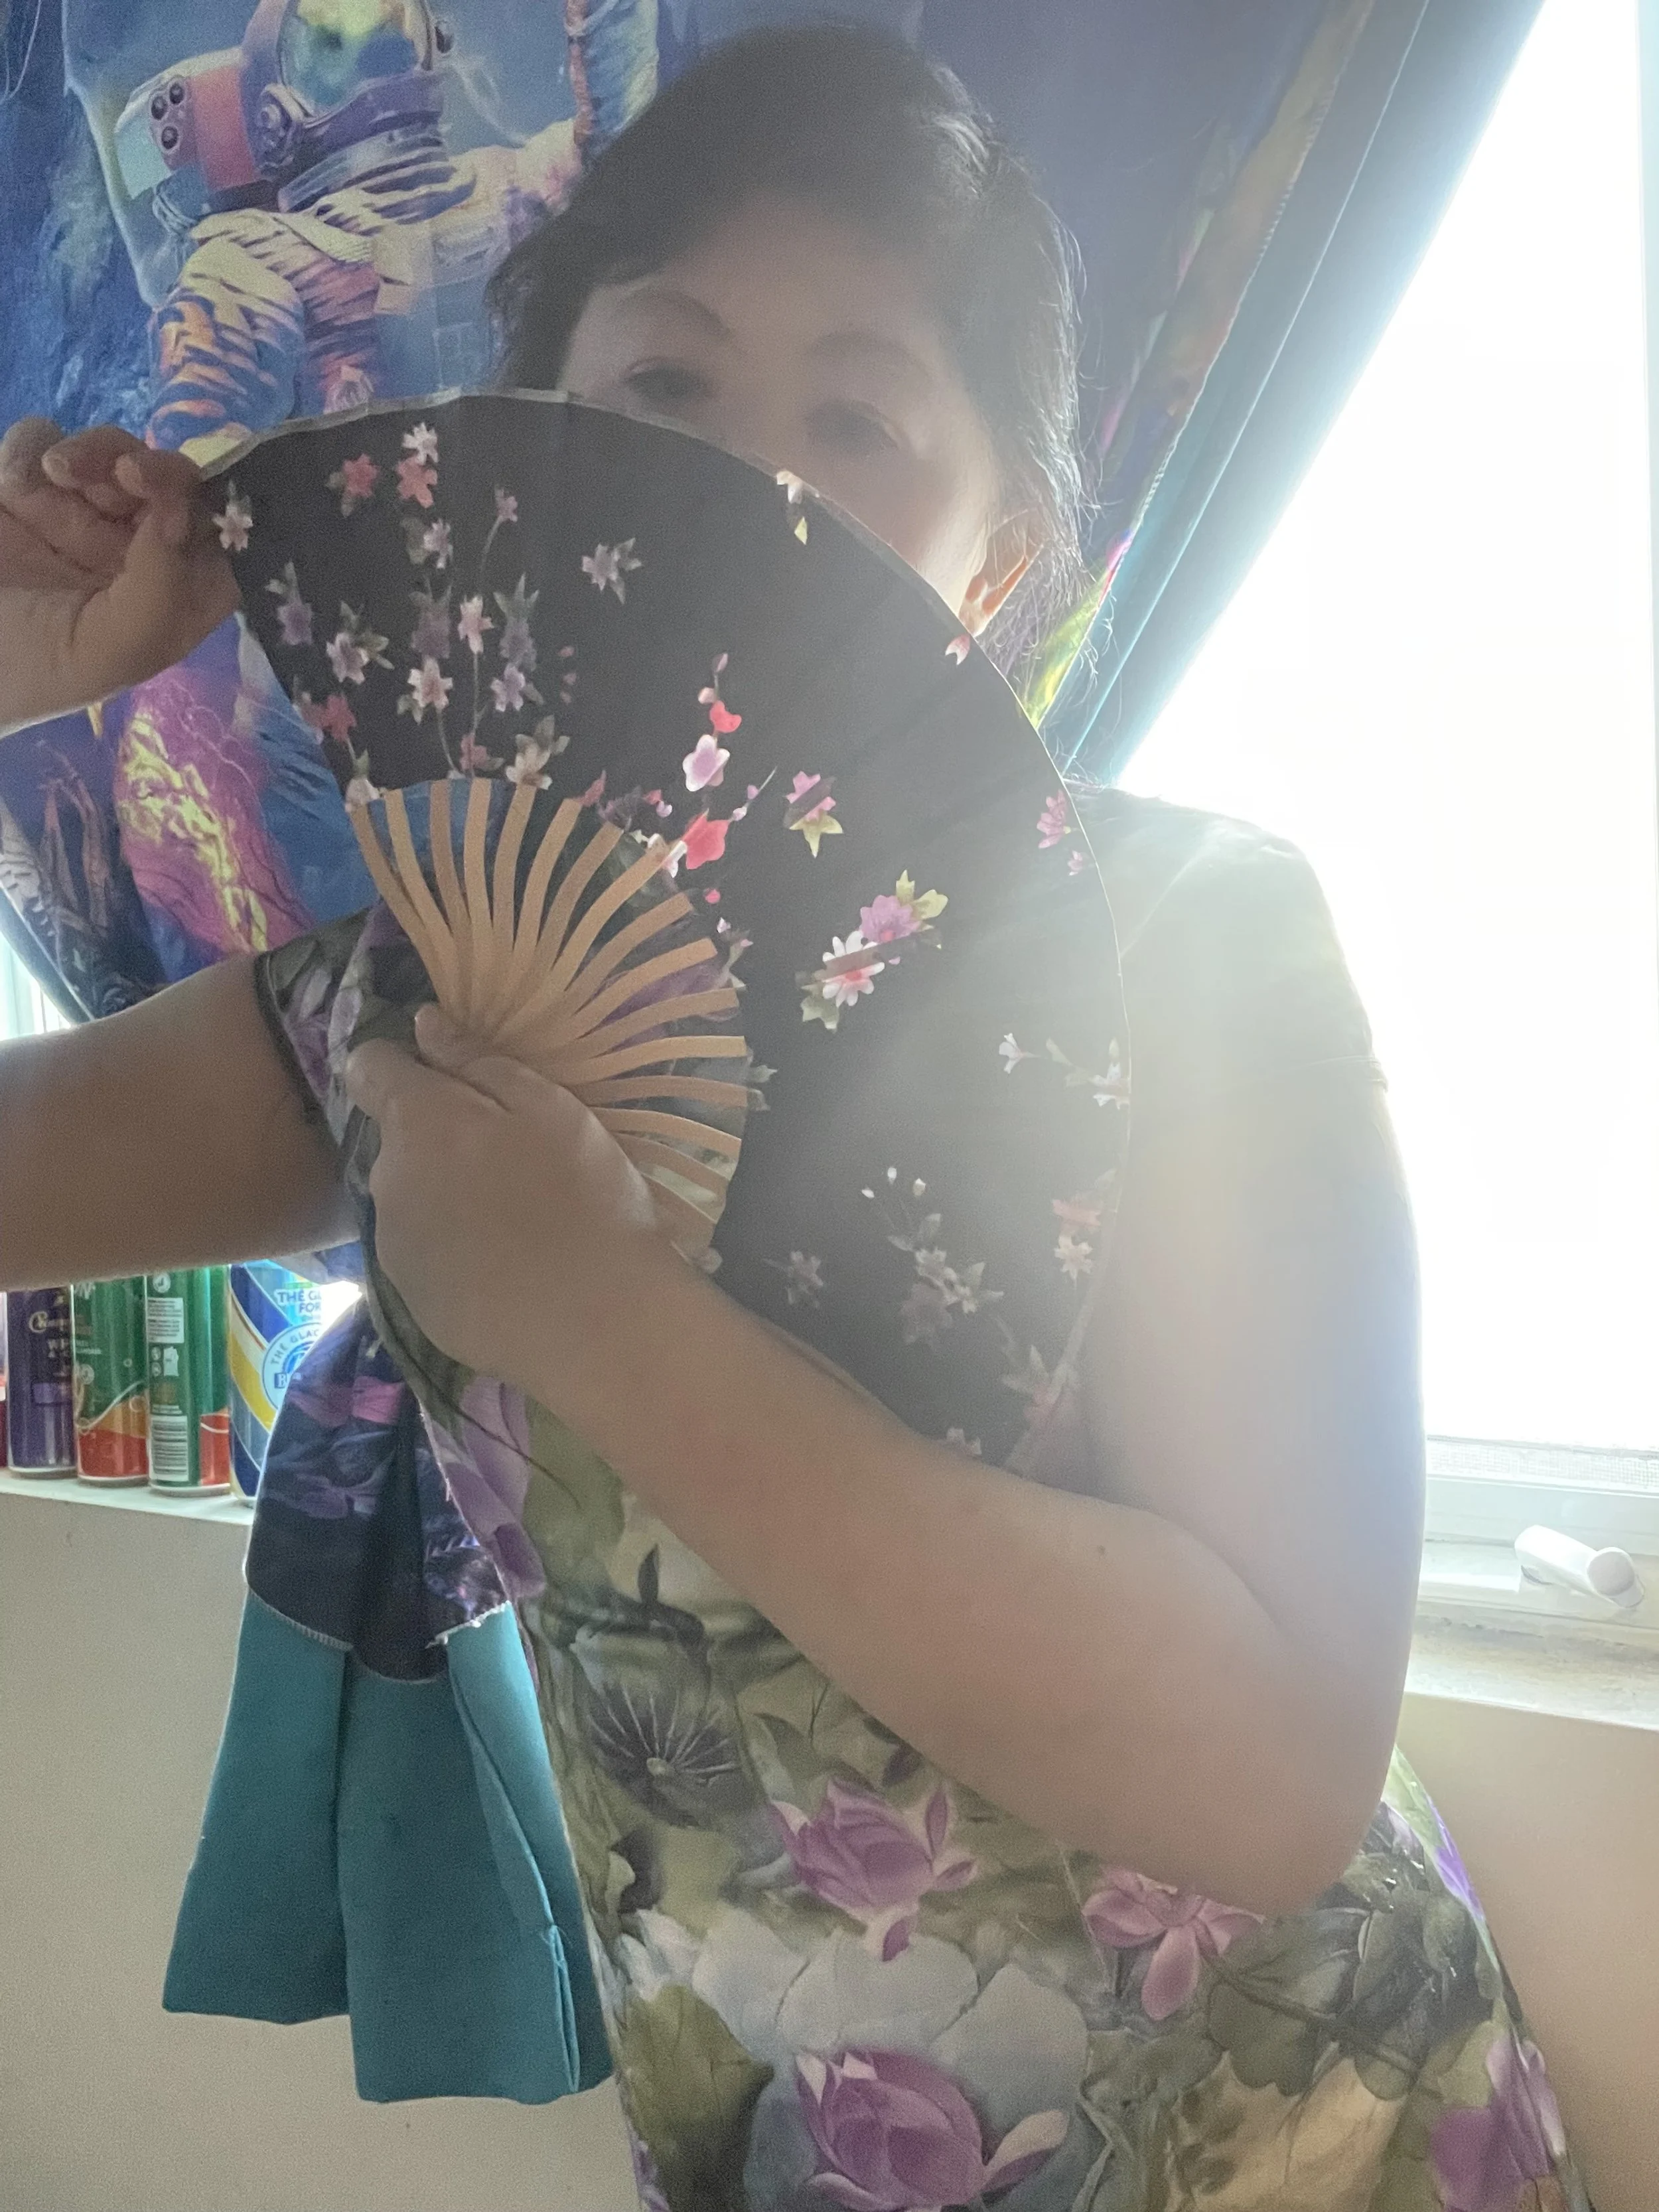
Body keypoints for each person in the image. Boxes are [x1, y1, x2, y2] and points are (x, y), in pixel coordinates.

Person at [0, 27, 1587, 2212]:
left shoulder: (1185, 938)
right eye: (661, 396)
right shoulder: (399, 1002)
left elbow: (1272, 1766)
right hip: (784, 2155)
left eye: (855, 415)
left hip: (1295, 2137)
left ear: (1006, 555)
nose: (744, 491)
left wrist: (597, 1314)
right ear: (517, 450)